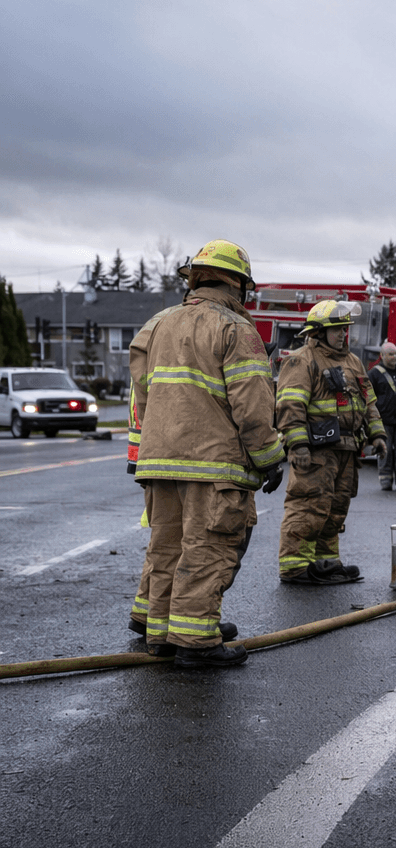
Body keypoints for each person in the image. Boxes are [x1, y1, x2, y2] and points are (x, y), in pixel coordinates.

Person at [128, 240, 285, 667]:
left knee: (167, 549)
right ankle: (196, 643)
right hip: (213, 464)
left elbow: (142, 394)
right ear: (238, 284)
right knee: (206, 549)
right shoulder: (235, 329)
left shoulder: (160, 324)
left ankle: (161, 634)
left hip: (159, 459)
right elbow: (253, 407)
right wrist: (270, 457)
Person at [275, 300, 387, 584]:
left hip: (346, 450)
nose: (343, 335)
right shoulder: (302, 359)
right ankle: (295, 566)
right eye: (336, 330)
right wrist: (298, 445)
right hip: (316, 451)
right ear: (318, 332)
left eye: (345, 329)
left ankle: (325, 562)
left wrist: (378, 435)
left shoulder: (353, 362)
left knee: (335, 508)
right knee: (309, 505)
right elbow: (290, 406)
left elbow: (368, 402)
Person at [367, 341, 396, 492]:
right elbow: (368, 399)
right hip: (383, 422)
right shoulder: (373, 374)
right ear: (382, 356)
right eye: (390, 354)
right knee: (385, 452)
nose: (395, 357)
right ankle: (385, 482)